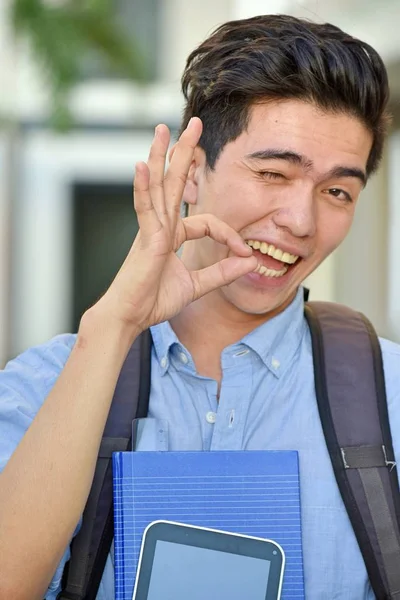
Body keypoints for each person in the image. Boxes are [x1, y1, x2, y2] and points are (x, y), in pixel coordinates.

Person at [0, 13, 399, 600]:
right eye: (272, 173)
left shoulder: (388, 397)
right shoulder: (41, 388)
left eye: (337, 191)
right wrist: (112, 327)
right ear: (190, 171)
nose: (302, 221)